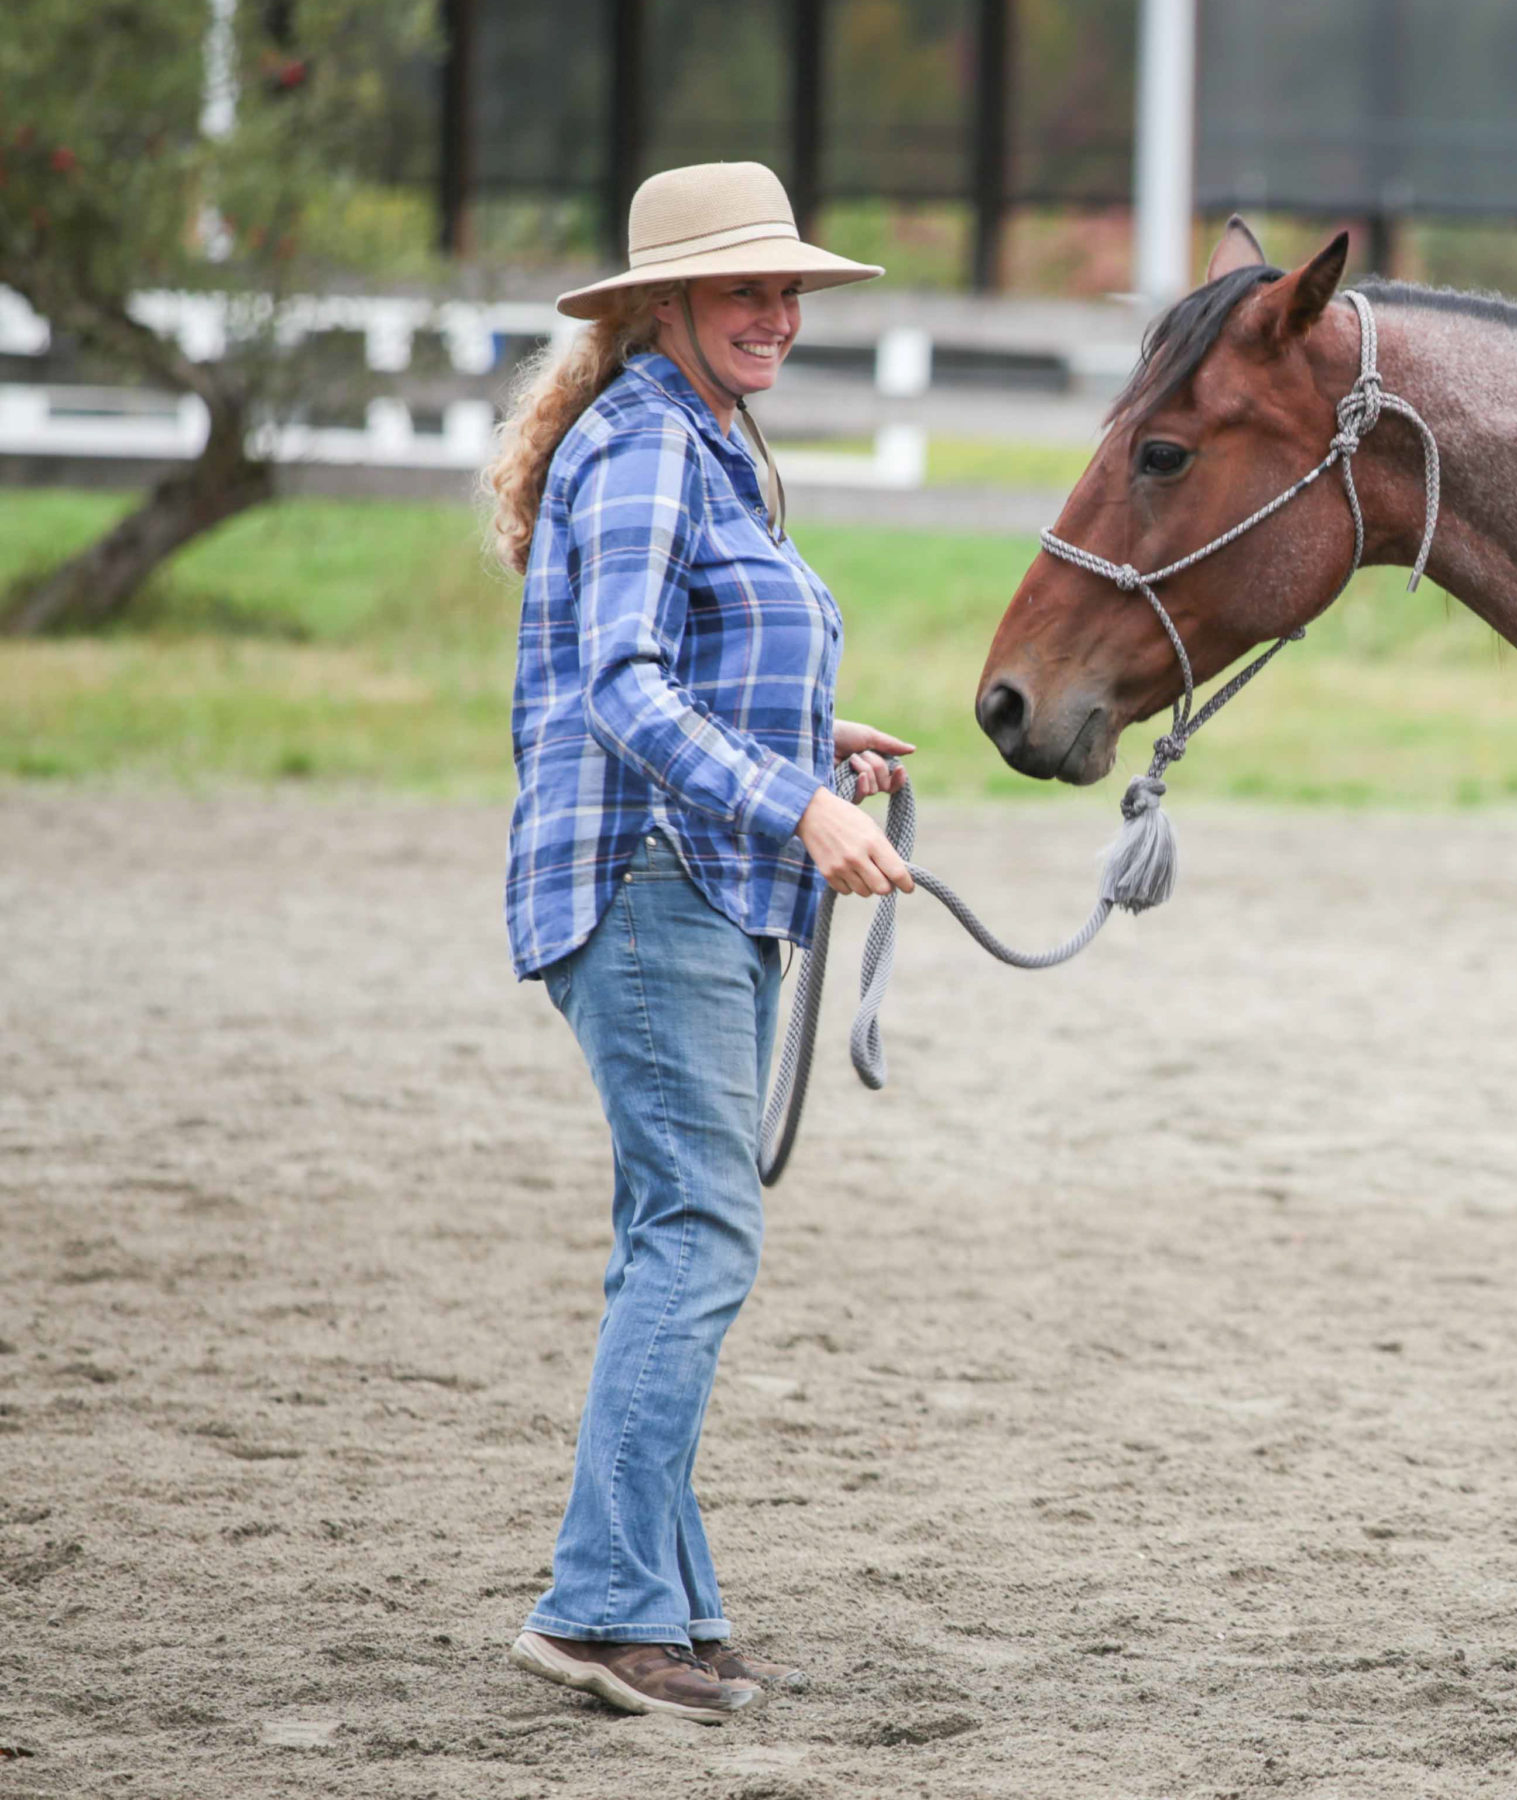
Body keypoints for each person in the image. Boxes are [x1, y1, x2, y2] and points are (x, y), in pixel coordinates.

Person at [481, 161, 916, 1724]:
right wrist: (801, 807)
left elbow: (693, 670)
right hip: (652, 882)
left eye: (789, 289)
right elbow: (621, 684)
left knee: (674, 1230)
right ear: (666, 304)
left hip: (692, 883)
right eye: (747, 288)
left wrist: (816, 738)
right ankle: (600, 1608)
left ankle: (666, 1607)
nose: (777, 314)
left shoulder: (703, 443)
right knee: (699, 1238)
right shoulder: (652, 443)